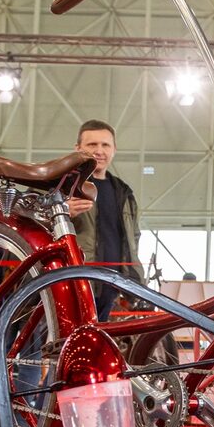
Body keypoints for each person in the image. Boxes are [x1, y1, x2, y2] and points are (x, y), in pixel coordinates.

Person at [68, 120, 143, 322]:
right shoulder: (62, 184)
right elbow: (29, 219)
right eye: (92, 144)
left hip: (111, 284)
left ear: (114, 150)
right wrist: (62, 211)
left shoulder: (124, 192)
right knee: (58, 336)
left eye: (105, 145)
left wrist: (131, 275)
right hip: (73, 279)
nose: (99, 151)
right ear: (78, 148)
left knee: (96, 335)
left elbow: (134, 236)